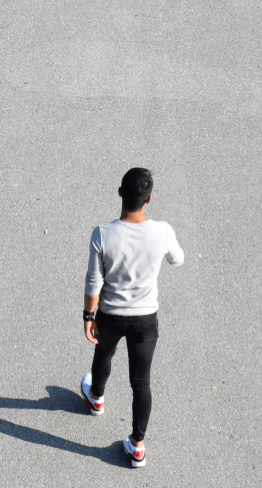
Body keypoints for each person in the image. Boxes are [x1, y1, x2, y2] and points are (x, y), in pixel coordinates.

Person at [81, 168, 184, 467]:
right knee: (141, 382)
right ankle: (137, 445)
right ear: (149, 199)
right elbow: (178, 259)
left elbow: (93, 281)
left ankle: (96, 398)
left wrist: (89, 315)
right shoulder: (162, 231)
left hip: (110, 314)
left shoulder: (103, 233)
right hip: (145, 319)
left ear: (119, 193)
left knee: (103, 352)